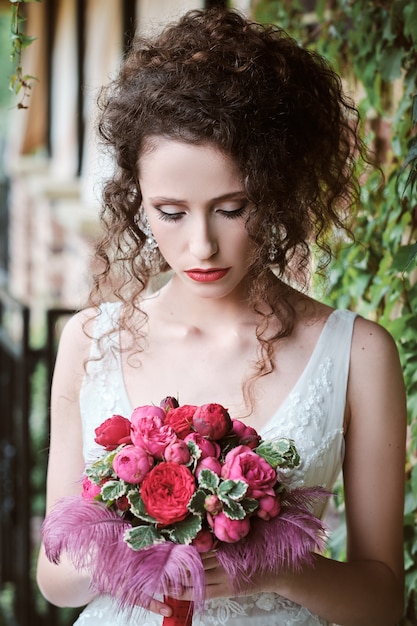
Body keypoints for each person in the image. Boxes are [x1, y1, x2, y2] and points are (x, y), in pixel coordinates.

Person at [36, 7, 406, 626]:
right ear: (137, 202)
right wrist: (140, 542)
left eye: (232, 208)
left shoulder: (359, 353)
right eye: (171, 212)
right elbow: (54, 578)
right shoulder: (91, 340)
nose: (201, 247)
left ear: (278, 190)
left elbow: (384, 601)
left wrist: (274, 565)